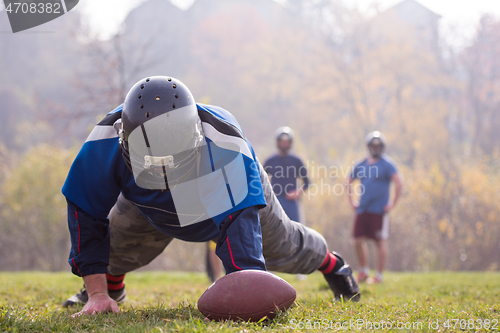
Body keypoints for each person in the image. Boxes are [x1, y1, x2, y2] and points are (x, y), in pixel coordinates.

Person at [61, 76, 360, 316]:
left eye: (171, 158)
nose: (165, 172)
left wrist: (247, 288)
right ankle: (109, 290)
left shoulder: (226, 147)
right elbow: (85, 212)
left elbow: (240, 235)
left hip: (215, 191)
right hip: (146, 201)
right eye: (154, 161)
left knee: (286, 247)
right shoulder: (104, 142)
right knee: (114, 246)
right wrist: (98, 291)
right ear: (122, 136)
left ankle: (333, 265)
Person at [345, 131, 403, 284]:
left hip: (379, 210)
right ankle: (363, 272)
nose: (375, 147)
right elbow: (348, 181)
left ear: (382, 147)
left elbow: (399, 182)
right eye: (373, 145)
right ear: (369, 146)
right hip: (362, 209)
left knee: (380, 241)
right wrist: (352, 201)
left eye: (378, 145)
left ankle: (379, 275)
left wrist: (392, 203)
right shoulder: (361, 164)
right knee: (357, 240)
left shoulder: (387, 164)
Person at [263, 127, 309, 223]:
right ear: (278, 142)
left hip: (292, 203)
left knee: (296, 230)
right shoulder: (270, 161)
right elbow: (259, 180)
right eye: (282, 141)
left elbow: (307, 182)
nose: (284, 144)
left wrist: (297, 193)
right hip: (275, 202)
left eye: (287, 141)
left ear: (290, 143)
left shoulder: (296, 161)